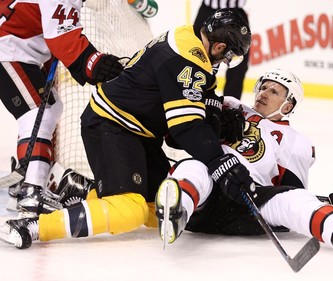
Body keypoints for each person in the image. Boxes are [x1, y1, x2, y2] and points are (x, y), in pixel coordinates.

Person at [0, 8, 253, 249]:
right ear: (219, 46)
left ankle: (80, 192)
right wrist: (221, 162)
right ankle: (33, 226)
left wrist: (216, 114)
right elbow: (185, 129)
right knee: (130, 209)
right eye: (228, 56)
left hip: (137, 131)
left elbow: (190, 112)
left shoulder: (189, 37)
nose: (225, 61)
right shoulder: (188, 60)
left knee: (159, 212)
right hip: (111, 125)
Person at [154, 68, 333, 258]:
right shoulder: (230, 105)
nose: (264, 93)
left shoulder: (295, 141)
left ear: (287, 106)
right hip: (207, 196)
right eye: (263, 87)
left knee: (294, 199)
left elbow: (291, 191)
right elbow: (181, 132)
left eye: (274, 91)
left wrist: (331, 206)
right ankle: (177, 213)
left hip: (249, 205)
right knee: (193, 167)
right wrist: (215, 121)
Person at [0, 0, 124, 212]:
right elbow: (61, 37)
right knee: (39, 112)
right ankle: (32, 189)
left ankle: (27, 177)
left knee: (50, 106)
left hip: (13, 46)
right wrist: (94, 63)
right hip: (8, 50)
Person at [194, 0, 250, 100]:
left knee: (238, 63)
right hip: (208, 11)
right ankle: (194, 95)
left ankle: (230, 105)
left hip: (235, 14)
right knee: (196, 55)